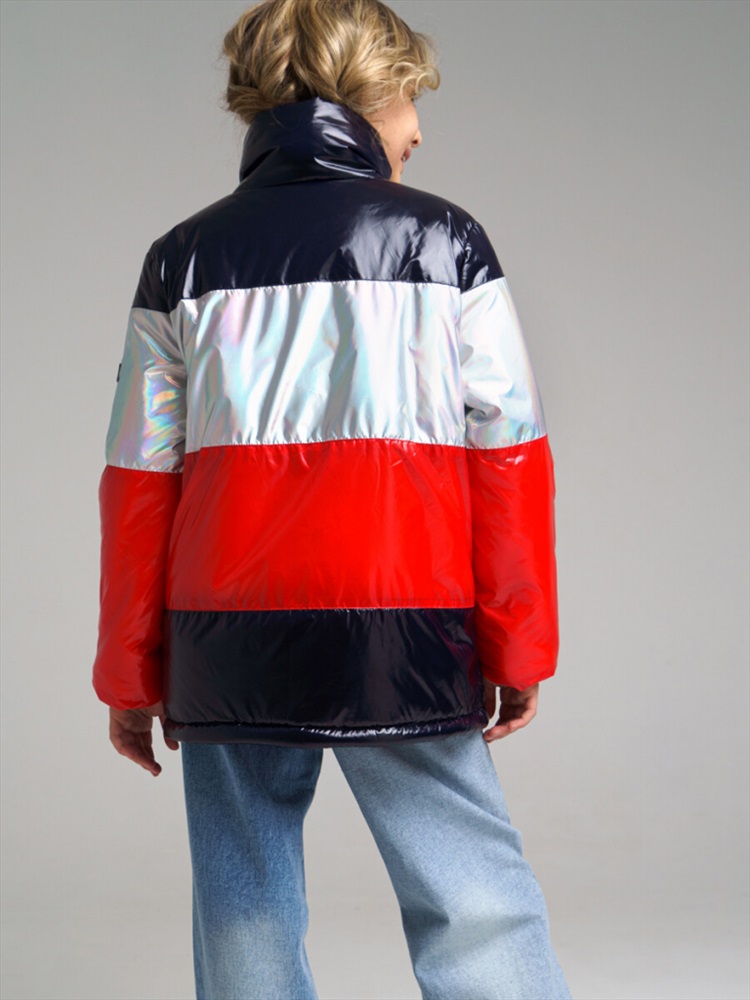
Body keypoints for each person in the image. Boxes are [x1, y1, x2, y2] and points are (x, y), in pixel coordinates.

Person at [92, 1, 573, 997]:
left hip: (223, 634)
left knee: (244, 902)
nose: (418, 130)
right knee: (473, 895)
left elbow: (140, 485)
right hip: (407, 628)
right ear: (363, 93)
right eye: (407, 100)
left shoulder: (183, 259)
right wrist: (518, 642)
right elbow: (510, 458)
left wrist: (130, 669)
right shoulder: (446, 241)